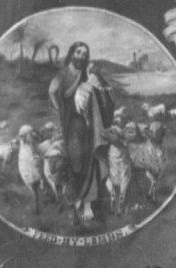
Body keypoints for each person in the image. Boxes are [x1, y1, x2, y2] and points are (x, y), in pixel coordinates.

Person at [48, 41, 115, 221]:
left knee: (91, 159)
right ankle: (74, 200)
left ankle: (88, 202)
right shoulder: (63, 74)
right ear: (72, 53)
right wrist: (61, 110)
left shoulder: (85, 74)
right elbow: (52, 91)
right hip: (72, 125)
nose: (82, 56)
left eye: (85, 53)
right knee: (76, 161)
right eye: (78, 52)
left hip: (89, 124)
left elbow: (96, 91)